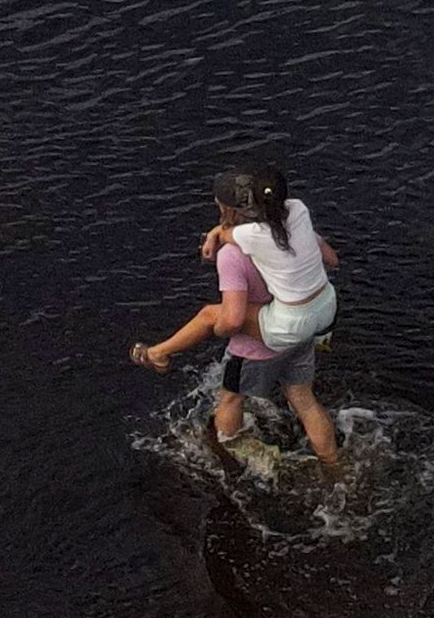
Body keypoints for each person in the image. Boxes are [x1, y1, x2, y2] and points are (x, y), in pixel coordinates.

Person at [133, 165, 342, 470]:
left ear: (224, 207)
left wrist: (220, 331)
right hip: (317, 319)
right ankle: (335, 466)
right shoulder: (297, 219)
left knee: (230, 395)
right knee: (304, 399)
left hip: (268, 339)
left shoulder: (233, 252)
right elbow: (331, 260)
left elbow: (232, 319)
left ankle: (228, 455)